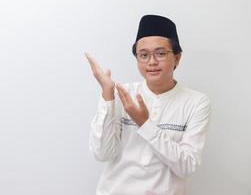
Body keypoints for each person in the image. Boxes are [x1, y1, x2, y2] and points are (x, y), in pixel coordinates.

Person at [85, 14, 211, 195]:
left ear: (177, 58)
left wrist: (144, 124)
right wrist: (107, 94)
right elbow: (102, 154)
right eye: (143, 55)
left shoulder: (196, 102)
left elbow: (187, 166)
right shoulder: (121, 94)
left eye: (160, 53)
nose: (152, 62)